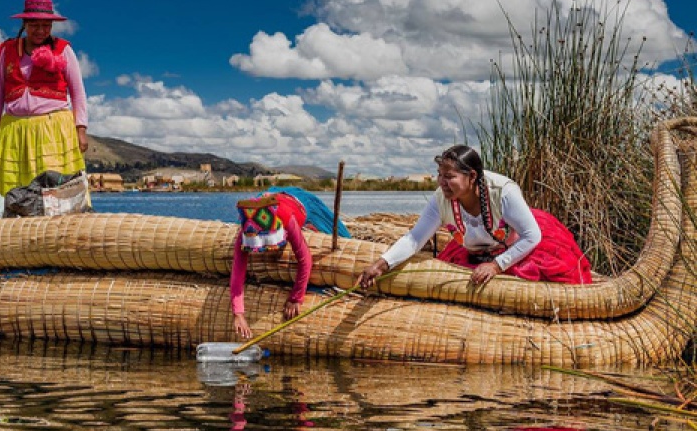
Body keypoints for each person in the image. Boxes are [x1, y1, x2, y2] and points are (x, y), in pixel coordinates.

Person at [357, 145, 592, 289]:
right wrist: (382, 263)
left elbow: (532, 236)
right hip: (473, 252)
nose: (441, 182)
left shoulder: (503, 192)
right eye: (439, 175)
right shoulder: (442, 198)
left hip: (521, 247)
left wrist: (497, 266)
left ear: (471, 176)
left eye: (449, 176)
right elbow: (415, 238)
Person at [0, 0, 89, 203]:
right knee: (12, 186)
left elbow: (78, 92)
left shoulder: (63, 50)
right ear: (25, 24)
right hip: (14, 130)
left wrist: (81, 129)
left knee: (54, 188)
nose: (40, 30)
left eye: (45, 25)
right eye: (34, 25)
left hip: (53, 130)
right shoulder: (9, 51)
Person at [232, 186, 351, 339]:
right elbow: (238, 270)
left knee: (344, 237)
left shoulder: (286, 219)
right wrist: (238, 314)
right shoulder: (247, 230)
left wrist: (296, 298)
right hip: (267, 202)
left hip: (297, 203)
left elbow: (306, 259)